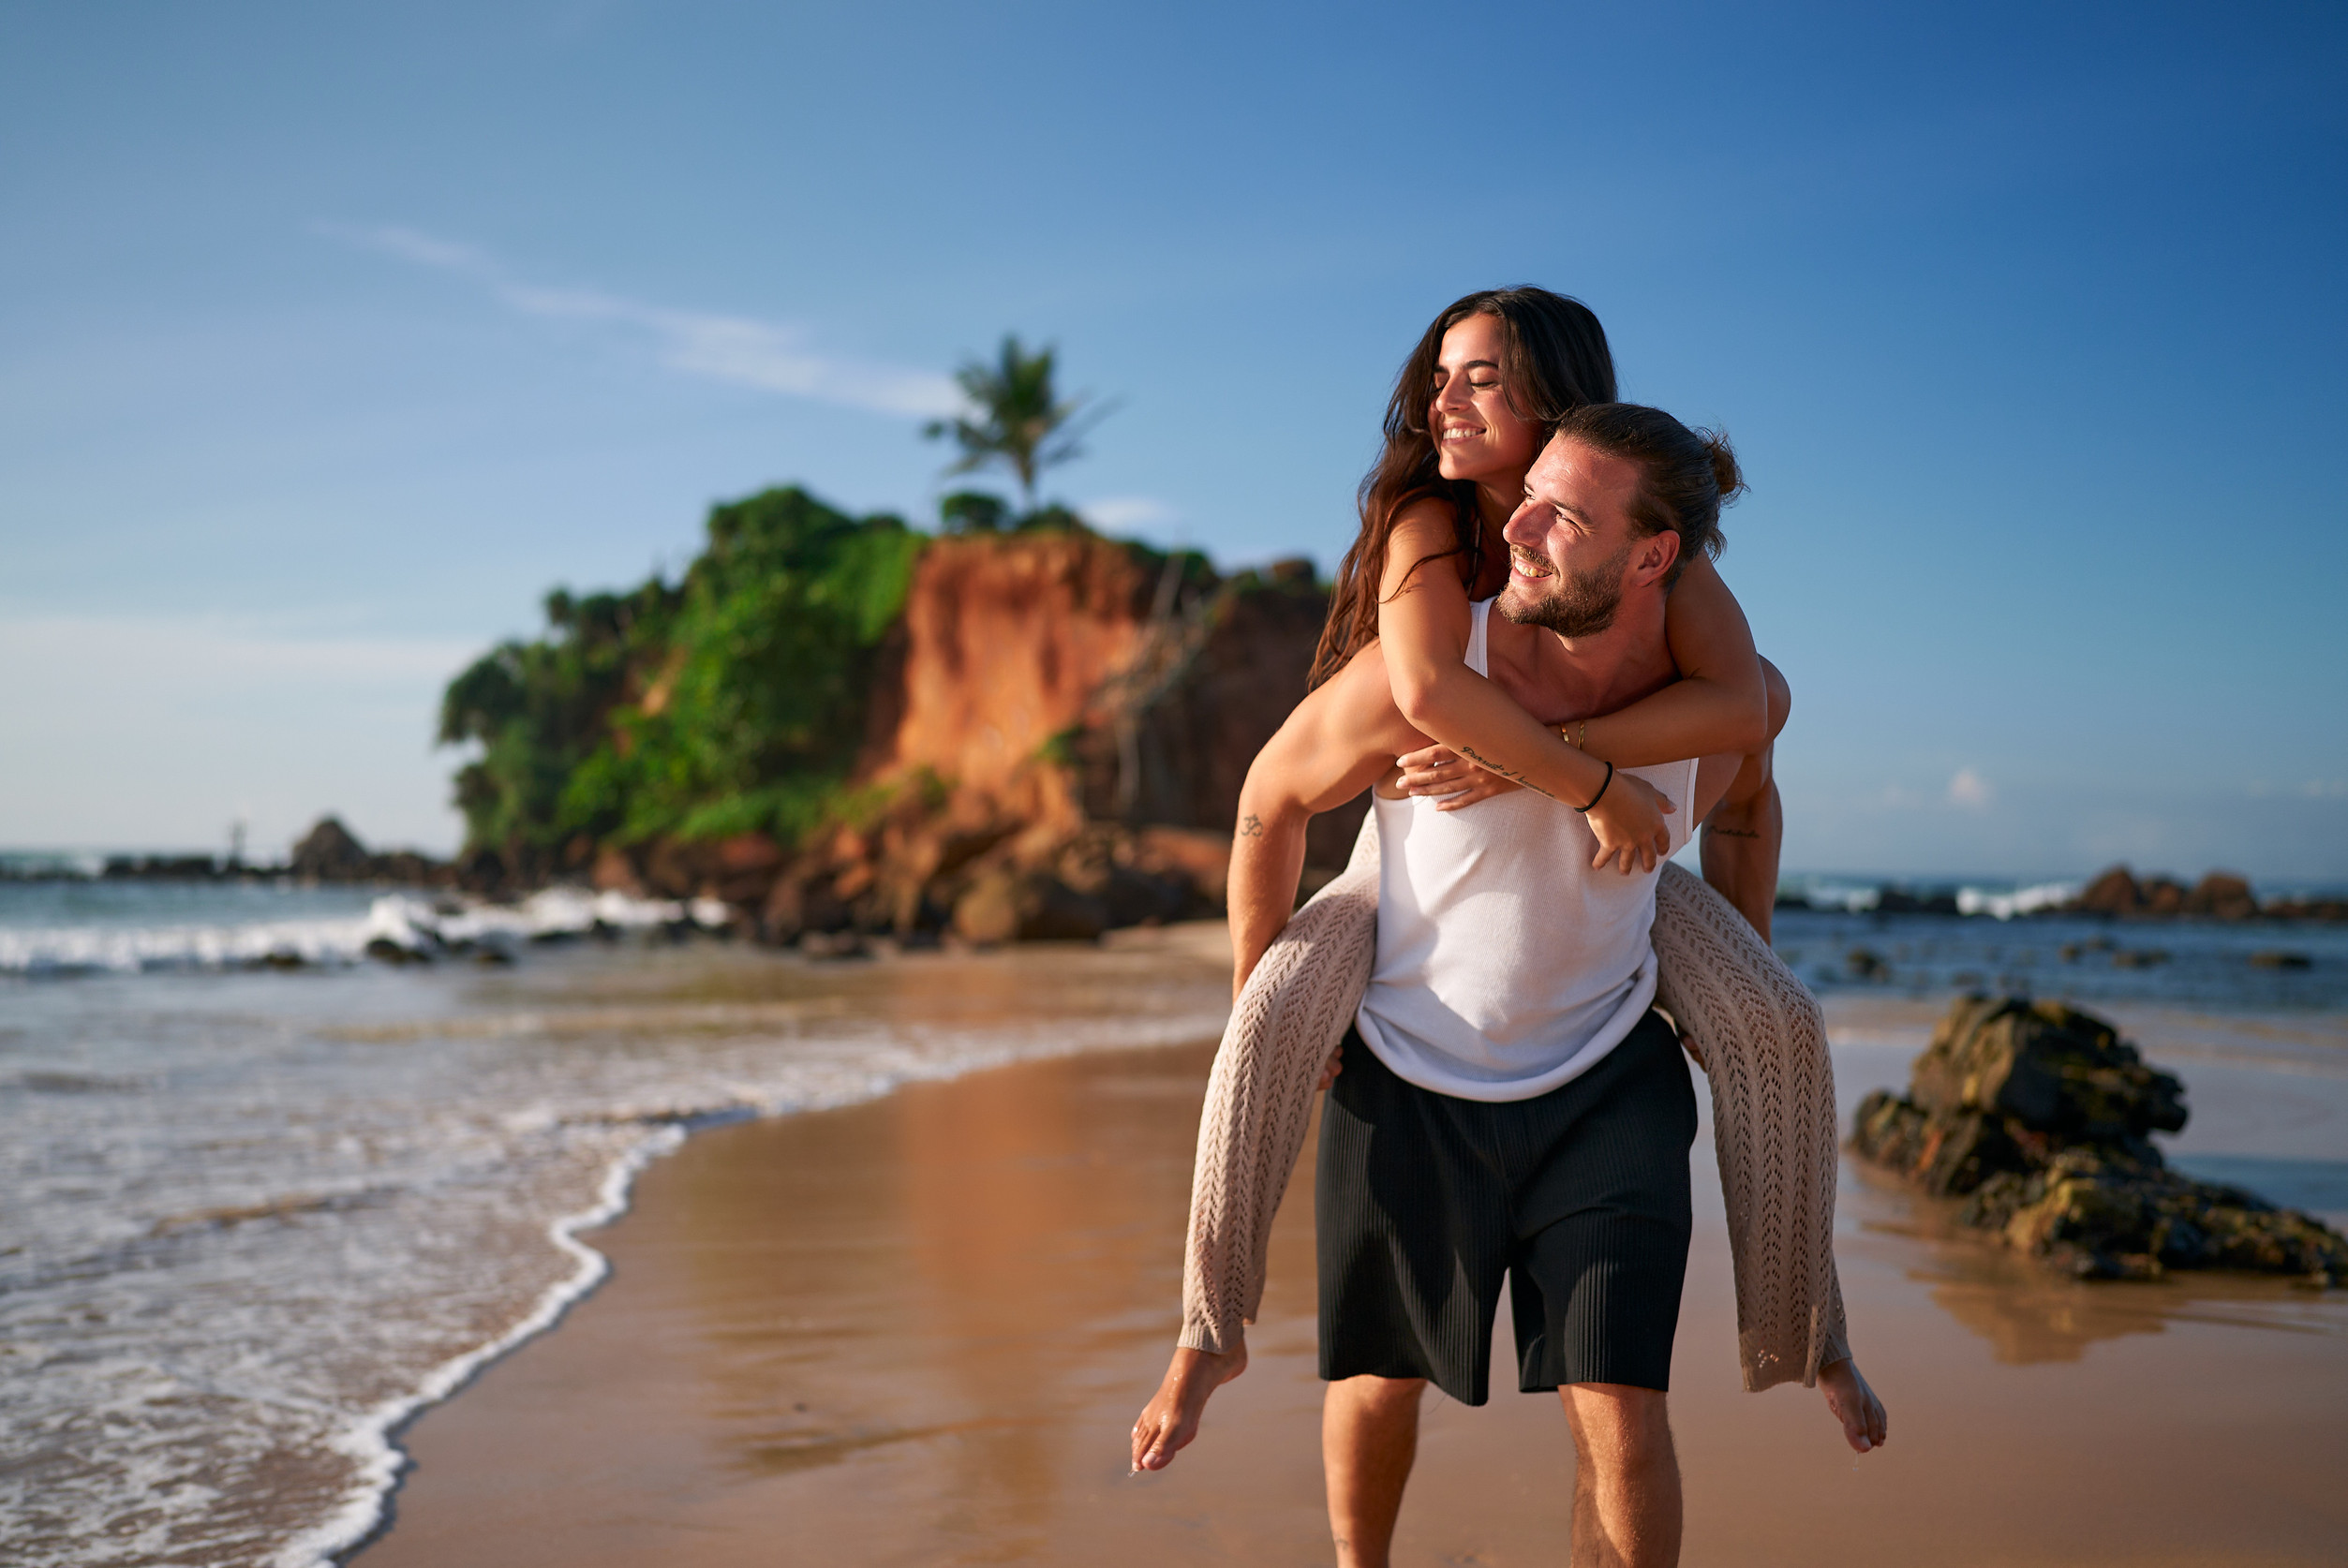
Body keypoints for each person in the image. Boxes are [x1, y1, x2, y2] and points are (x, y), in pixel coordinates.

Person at [1133, 406, 1887, 1567]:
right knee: (1380, 1385)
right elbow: (1268, 796)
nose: (1516, 524)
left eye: (1563, 514)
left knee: (1620, 1403)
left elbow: (1743, 806)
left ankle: (1813, 1332)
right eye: (1527, 490)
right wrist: (1261, 992)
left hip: (1605, 1082)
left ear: (1651, 558)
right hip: (1409, 1076)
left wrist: (1731, 973)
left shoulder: (1717, 708)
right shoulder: (1425, 679)